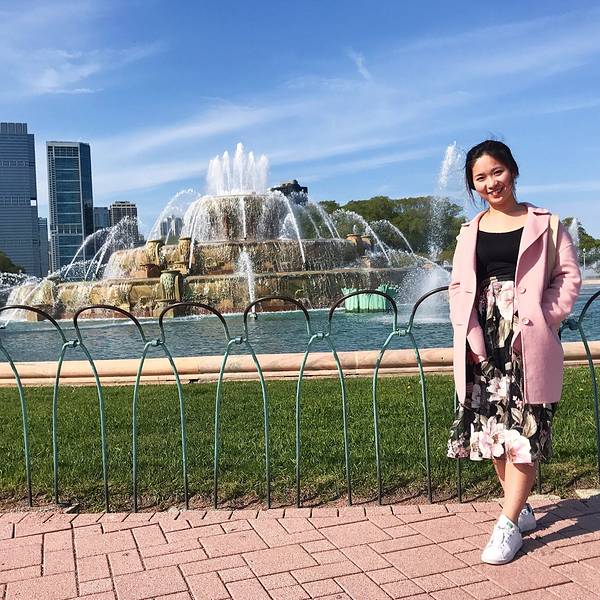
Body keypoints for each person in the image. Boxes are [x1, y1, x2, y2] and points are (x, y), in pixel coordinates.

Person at [447, 140, 581, 565]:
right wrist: (470, 334)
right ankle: (519, 507)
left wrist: (544, 316)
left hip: (528, 337)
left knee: (525, 428)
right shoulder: (469, 232)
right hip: (483, 338)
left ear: (513, 171)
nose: (491, 183)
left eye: (497, 172)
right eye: (480, 178)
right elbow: (458, 286)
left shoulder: (546, 223)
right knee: (493, 431)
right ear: (473, 185)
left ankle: (506, 525)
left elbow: (568, 277)